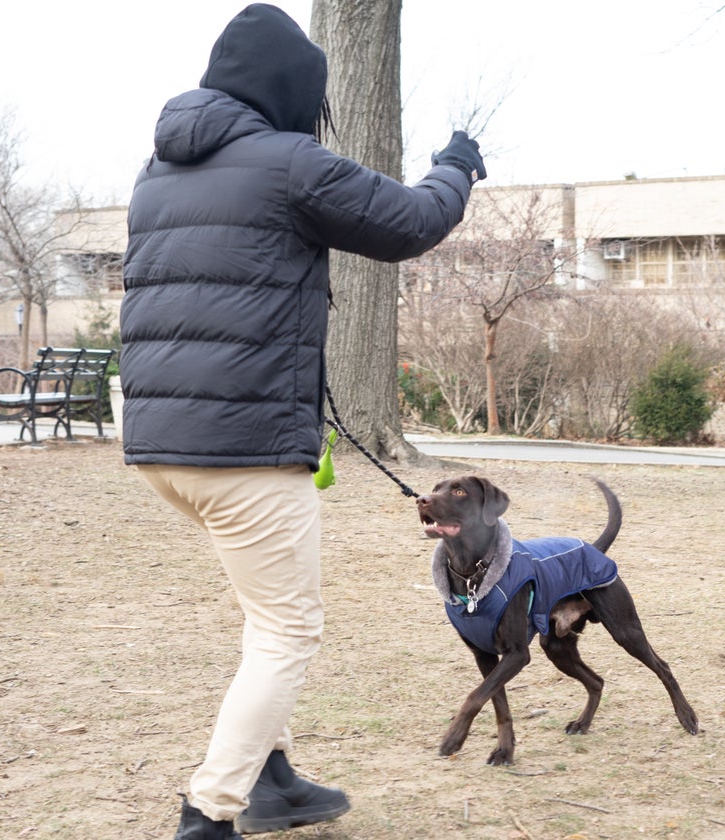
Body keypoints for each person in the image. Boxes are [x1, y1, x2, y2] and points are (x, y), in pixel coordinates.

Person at [118, 5, 484, 838]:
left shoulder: (158, 172)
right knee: (288, 627)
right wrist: (457, 166)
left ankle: (272, 777)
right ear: (290, 91)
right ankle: (209, 814)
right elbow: (411, 221)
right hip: (245, 450)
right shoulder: (287, 162)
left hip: (164, 449)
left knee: (266, 615)